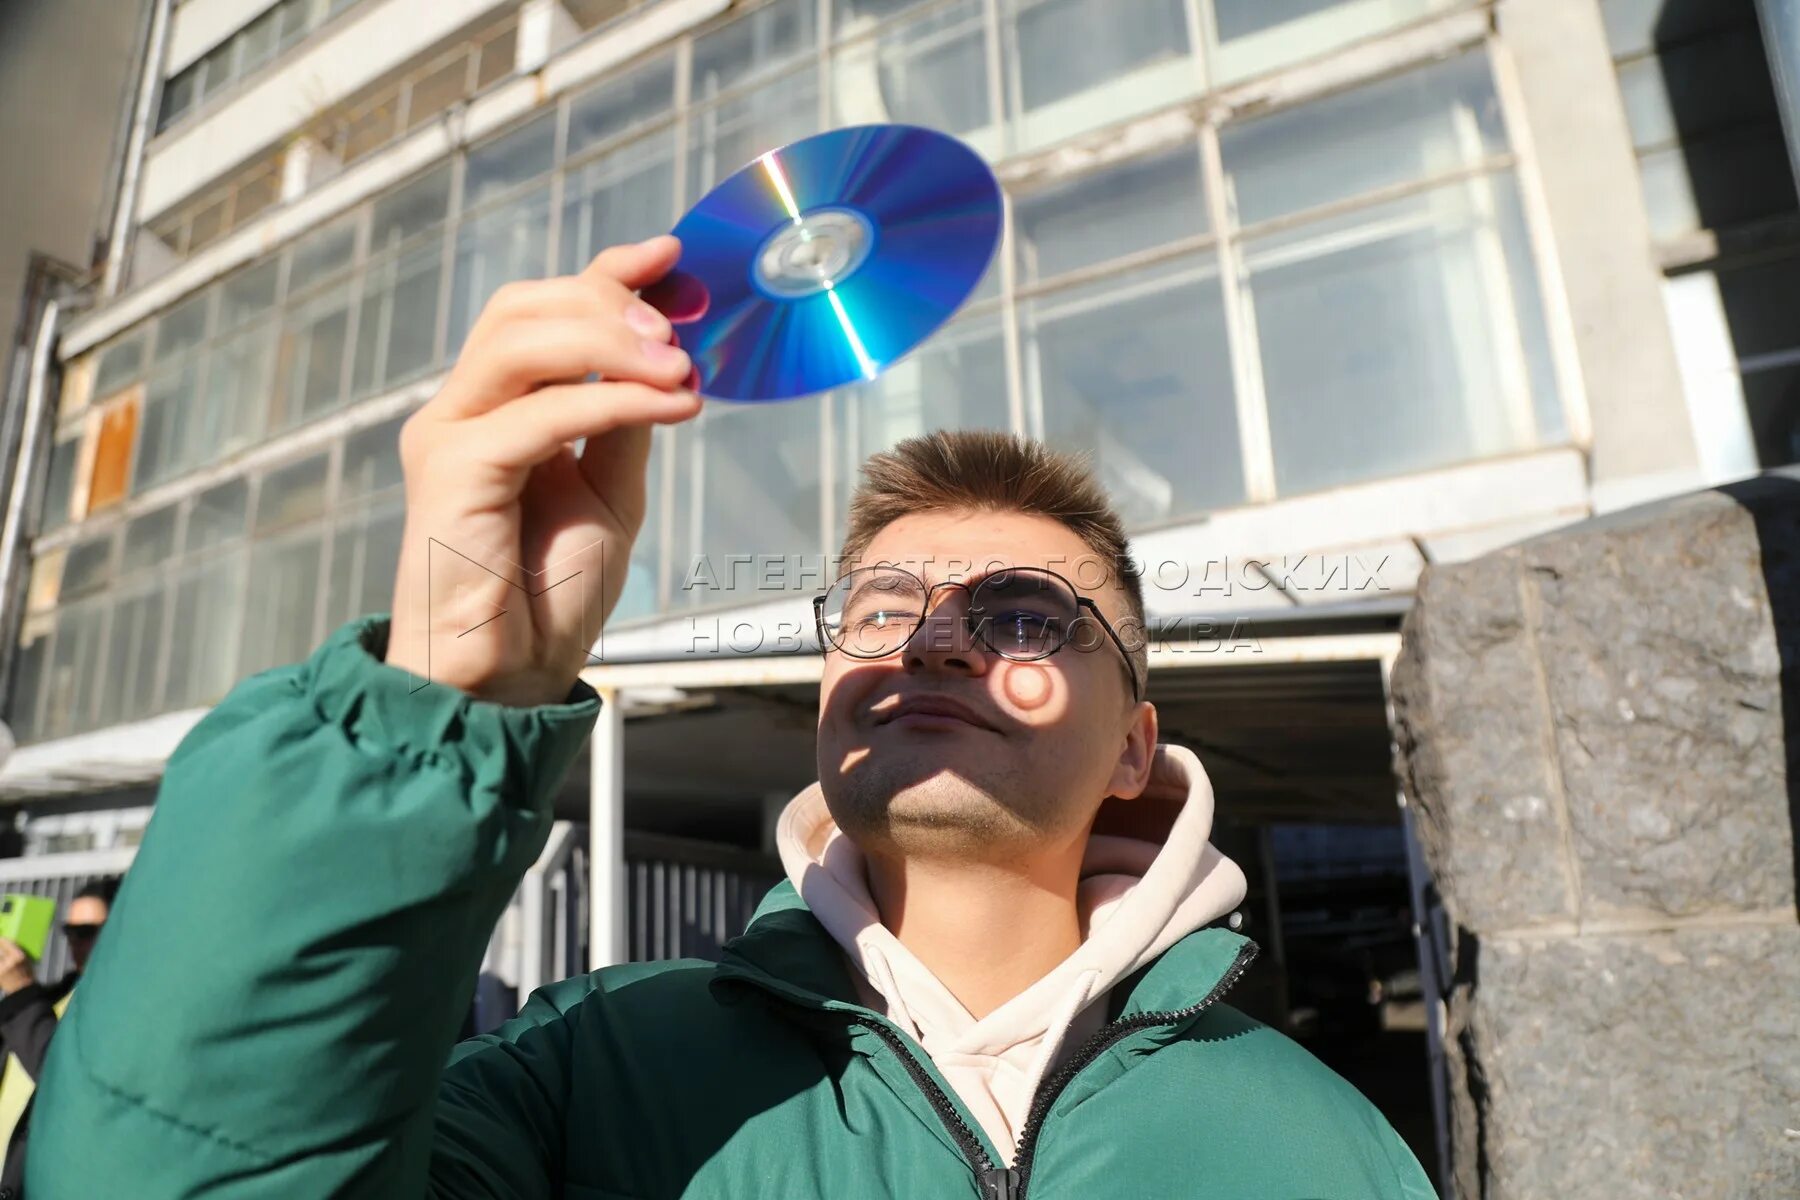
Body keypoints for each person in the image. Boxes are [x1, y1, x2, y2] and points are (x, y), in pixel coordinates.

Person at [28, 237, 1433, 1198]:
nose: (931, 637)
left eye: (1017, 613)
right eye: (883, 609)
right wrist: (437, 697)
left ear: (1136, 744)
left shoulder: (1323, 1143)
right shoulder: (584, 1071)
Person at [0, 878, 116, 1196]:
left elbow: (65, 1079)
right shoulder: (49, 999)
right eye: (70, 931)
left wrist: (22, 993)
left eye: (89, 932)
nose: (76, 943)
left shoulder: (121, 1008)